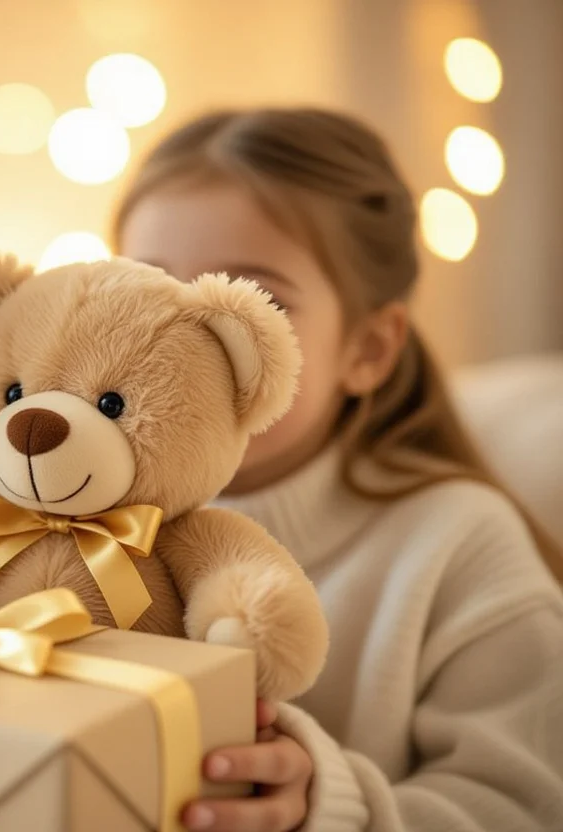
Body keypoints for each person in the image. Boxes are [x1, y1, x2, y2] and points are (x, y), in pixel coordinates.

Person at [113, 107, 563, 832]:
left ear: (368, 350)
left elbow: (527, 804)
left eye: (256, 302)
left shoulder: (457, 544)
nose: (180, 349)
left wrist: (335, 807)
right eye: (149, 293)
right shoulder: (70, 519)